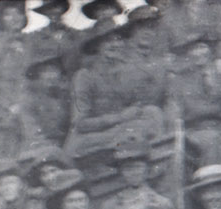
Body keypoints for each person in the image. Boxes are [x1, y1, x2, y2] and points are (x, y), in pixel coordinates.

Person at [66, 23, 165, 161]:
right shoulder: (84, 76)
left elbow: (140, 102)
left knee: (153, 113)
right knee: (133, 131)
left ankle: (154, 163)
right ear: (97, 47)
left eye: (118, 40)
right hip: (87, 141)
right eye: (108, 41)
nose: (115, 45)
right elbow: (80, 124)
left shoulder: (122, 73)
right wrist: (120, 117)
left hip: (115, 132)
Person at [169, 31, 221, 168]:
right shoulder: (180, 81)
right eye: (193, 49)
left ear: (211, 50)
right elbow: (175, 113)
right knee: (213, 144)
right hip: (194, 132)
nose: (198, 53)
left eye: (202, 47)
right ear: (188, 53)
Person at [0, 0, 30, 161]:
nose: (15, 18)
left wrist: (24, 103)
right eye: (8, 14)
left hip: (30, 109)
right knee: (3, 158)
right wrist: (8, 107)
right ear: (0, 19)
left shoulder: (33, 43)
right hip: (3, 113)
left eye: (18, 13)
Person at [97, 139, 173, 209]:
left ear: (147, 168)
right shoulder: (109, 206)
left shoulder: (162, 203)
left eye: (138, 167)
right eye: (128, 168)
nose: (133, 173)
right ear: (121, 172)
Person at [19, 51, 72, 148]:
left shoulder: (66, 97)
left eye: (55, 70)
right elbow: (32, 132)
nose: (51, 75)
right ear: (38, 75)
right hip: (37, 147)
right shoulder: (30, 98)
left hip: (64, 146)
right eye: (46, 71)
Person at [25, 0, 79, 74]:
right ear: (46, 14)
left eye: (57, 10)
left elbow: (77, 59)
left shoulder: (73, 34)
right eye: (50, 11)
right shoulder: (38, 35)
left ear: (62, 11)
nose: (54, 14)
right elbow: (32, 57)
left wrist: (65, 42)